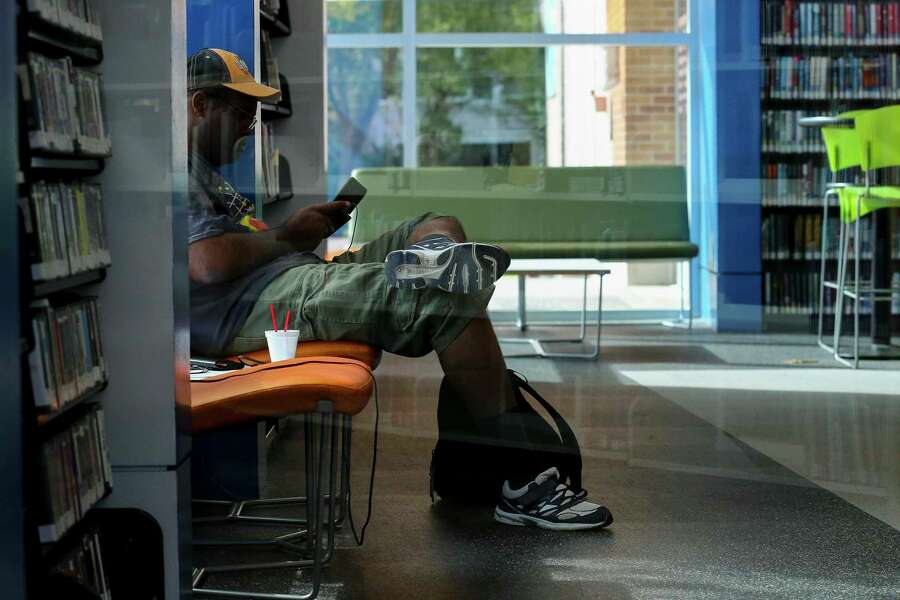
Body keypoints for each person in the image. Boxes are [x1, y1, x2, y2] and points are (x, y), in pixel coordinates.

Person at [186, 48, 613, 531]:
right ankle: (522, 479)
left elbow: (237, 246)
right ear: (201, 105)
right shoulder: (176, 171)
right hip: (254, 307)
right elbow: (207, 263)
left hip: (290, 274)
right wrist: (289, 236)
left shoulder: (202, 170)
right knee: (450, 301)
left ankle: (437, 258)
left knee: (433, 222)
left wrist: (294, 237)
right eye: (242, 113)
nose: (249, 127)